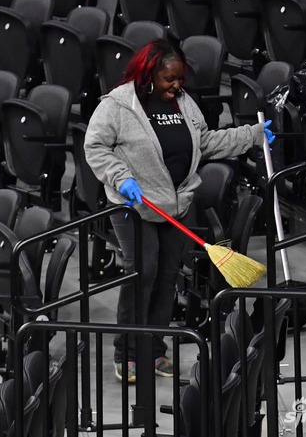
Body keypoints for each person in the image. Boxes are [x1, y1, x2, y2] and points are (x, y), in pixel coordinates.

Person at [83, 38, 274, 383]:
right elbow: (95, 146)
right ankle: (127, 354)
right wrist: (120, 177)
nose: (176, 85)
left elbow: (206, 143)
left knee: (167, 276)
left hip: (176, 204)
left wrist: (252, 135)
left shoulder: (184, 103)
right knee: (143, 272)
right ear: (149, 74)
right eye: (169, 79)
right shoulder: (118, 105)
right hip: (134, 204)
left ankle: (154, 350)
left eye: (180, 78)